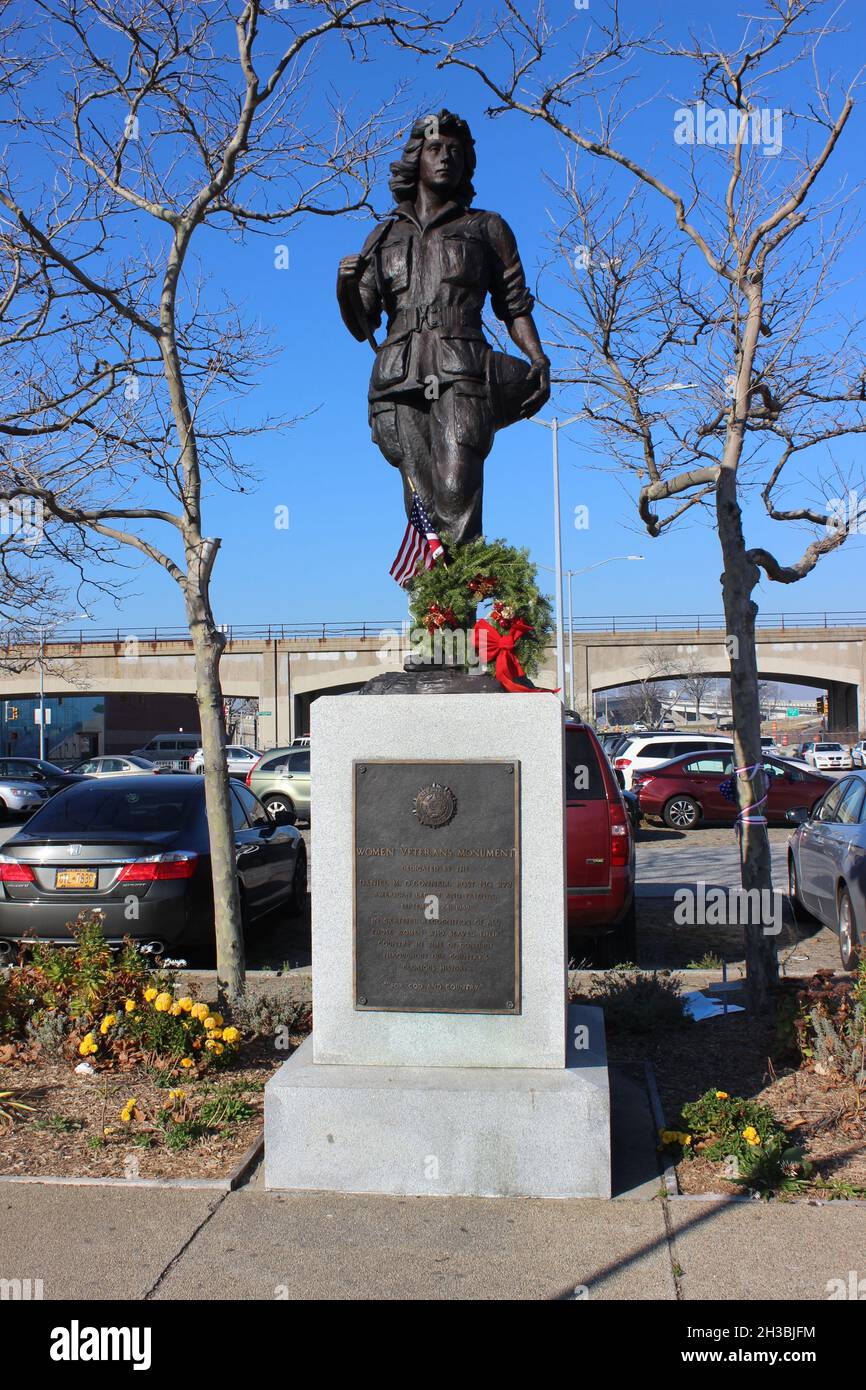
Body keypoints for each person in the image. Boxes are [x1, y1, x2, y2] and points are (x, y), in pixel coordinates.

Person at [337, 110, 550, 547]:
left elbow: (513, 304)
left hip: (463, 372)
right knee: (422, 508)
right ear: (417, 158)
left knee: (457, 492)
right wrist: (344, 285)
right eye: (435, 148)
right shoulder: (384, 236)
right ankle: (434, 614)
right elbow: (362, 325)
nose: (446, 157)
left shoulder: (487, 228)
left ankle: (459, 610)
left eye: (456, 150)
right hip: (399, 380)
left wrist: (537, 355)